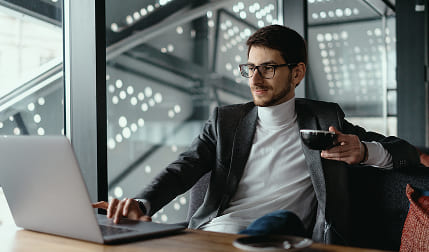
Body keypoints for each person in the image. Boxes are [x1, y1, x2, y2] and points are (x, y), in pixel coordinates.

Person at [93, 25, 420, 245]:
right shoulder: (226, 121)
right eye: (250, 68)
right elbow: (183, 168)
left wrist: (363, 151)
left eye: (268, 68)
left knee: (280, 222)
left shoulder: (324, 120)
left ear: (297, 73)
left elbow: (401, 149)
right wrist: (140, 202)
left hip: (281, 238)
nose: (255, 78)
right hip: (217, 236)